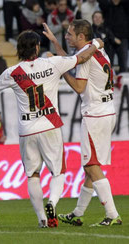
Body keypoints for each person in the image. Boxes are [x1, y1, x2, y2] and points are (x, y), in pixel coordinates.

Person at [0, 29, 104, 228]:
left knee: (32, 175)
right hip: (50, 124)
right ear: (36, 47)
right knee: (58, 172)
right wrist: (97, 44)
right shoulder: (52, 63)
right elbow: (83, 57)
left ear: (18, 50)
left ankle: (42, 218)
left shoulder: (12, 72)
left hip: (27, 129)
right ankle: (52, 202)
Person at [43, 19, 122, 227]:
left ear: (80, 36)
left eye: (69, 34)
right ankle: (78, 213)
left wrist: (60, 71)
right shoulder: (93, 51)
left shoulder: (85, 58)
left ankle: (112, 214)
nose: (66, 36)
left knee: (91, 164)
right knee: (90, 168)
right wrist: (55, 44)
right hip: (107, 111)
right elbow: (71, 60)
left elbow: (79, 87)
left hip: (94, 115)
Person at [97, 0, 129, 73]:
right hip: (109, 39)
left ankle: (121, 82)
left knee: (123, 64)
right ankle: (108, 82)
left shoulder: (126, 5)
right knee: (107, 63)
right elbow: (101, 2)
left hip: (123, 38)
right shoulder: (107, 5)